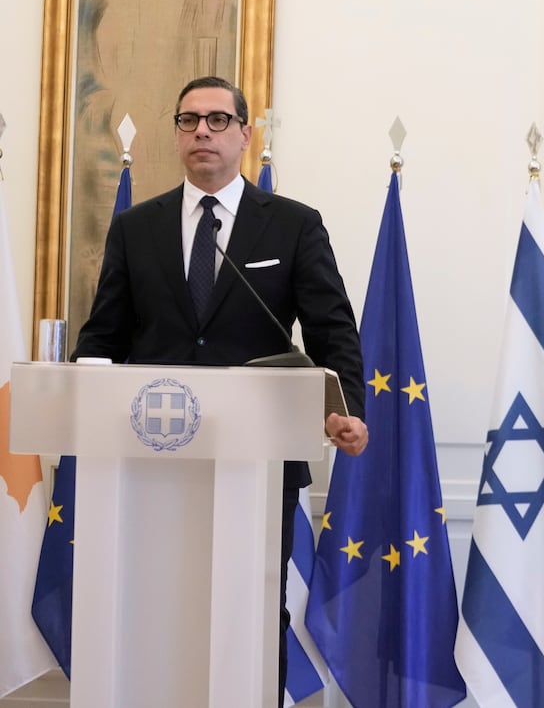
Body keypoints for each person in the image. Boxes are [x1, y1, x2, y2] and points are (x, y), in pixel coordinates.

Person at [72, 75, 368, 700]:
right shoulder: (137, 228)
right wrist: (80, 397)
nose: (201, 131)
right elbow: (104, 338)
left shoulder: (292, 226)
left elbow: (332, 331)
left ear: (244, 134)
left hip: (257, 460)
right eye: (187, 121)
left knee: (253, 610)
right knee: (156, 606)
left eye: (215, 120)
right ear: (177, 135)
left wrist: (345, 411)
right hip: (152, 457)